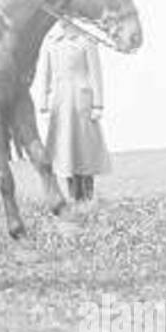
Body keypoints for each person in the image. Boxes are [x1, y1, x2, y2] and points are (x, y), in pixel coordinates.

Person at [39, 20, 111, 205]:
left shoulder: (86, 41)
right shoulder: (51, 41)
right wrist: (44, 104)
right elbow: (45, 75)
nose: (63, 19)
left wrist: (98, 104)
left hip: (82, 101)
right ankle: (73, 195)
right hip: (60, 103)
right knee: (65, 151)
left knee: (85, 149)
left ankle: (87, 195)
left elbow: (96, 75)